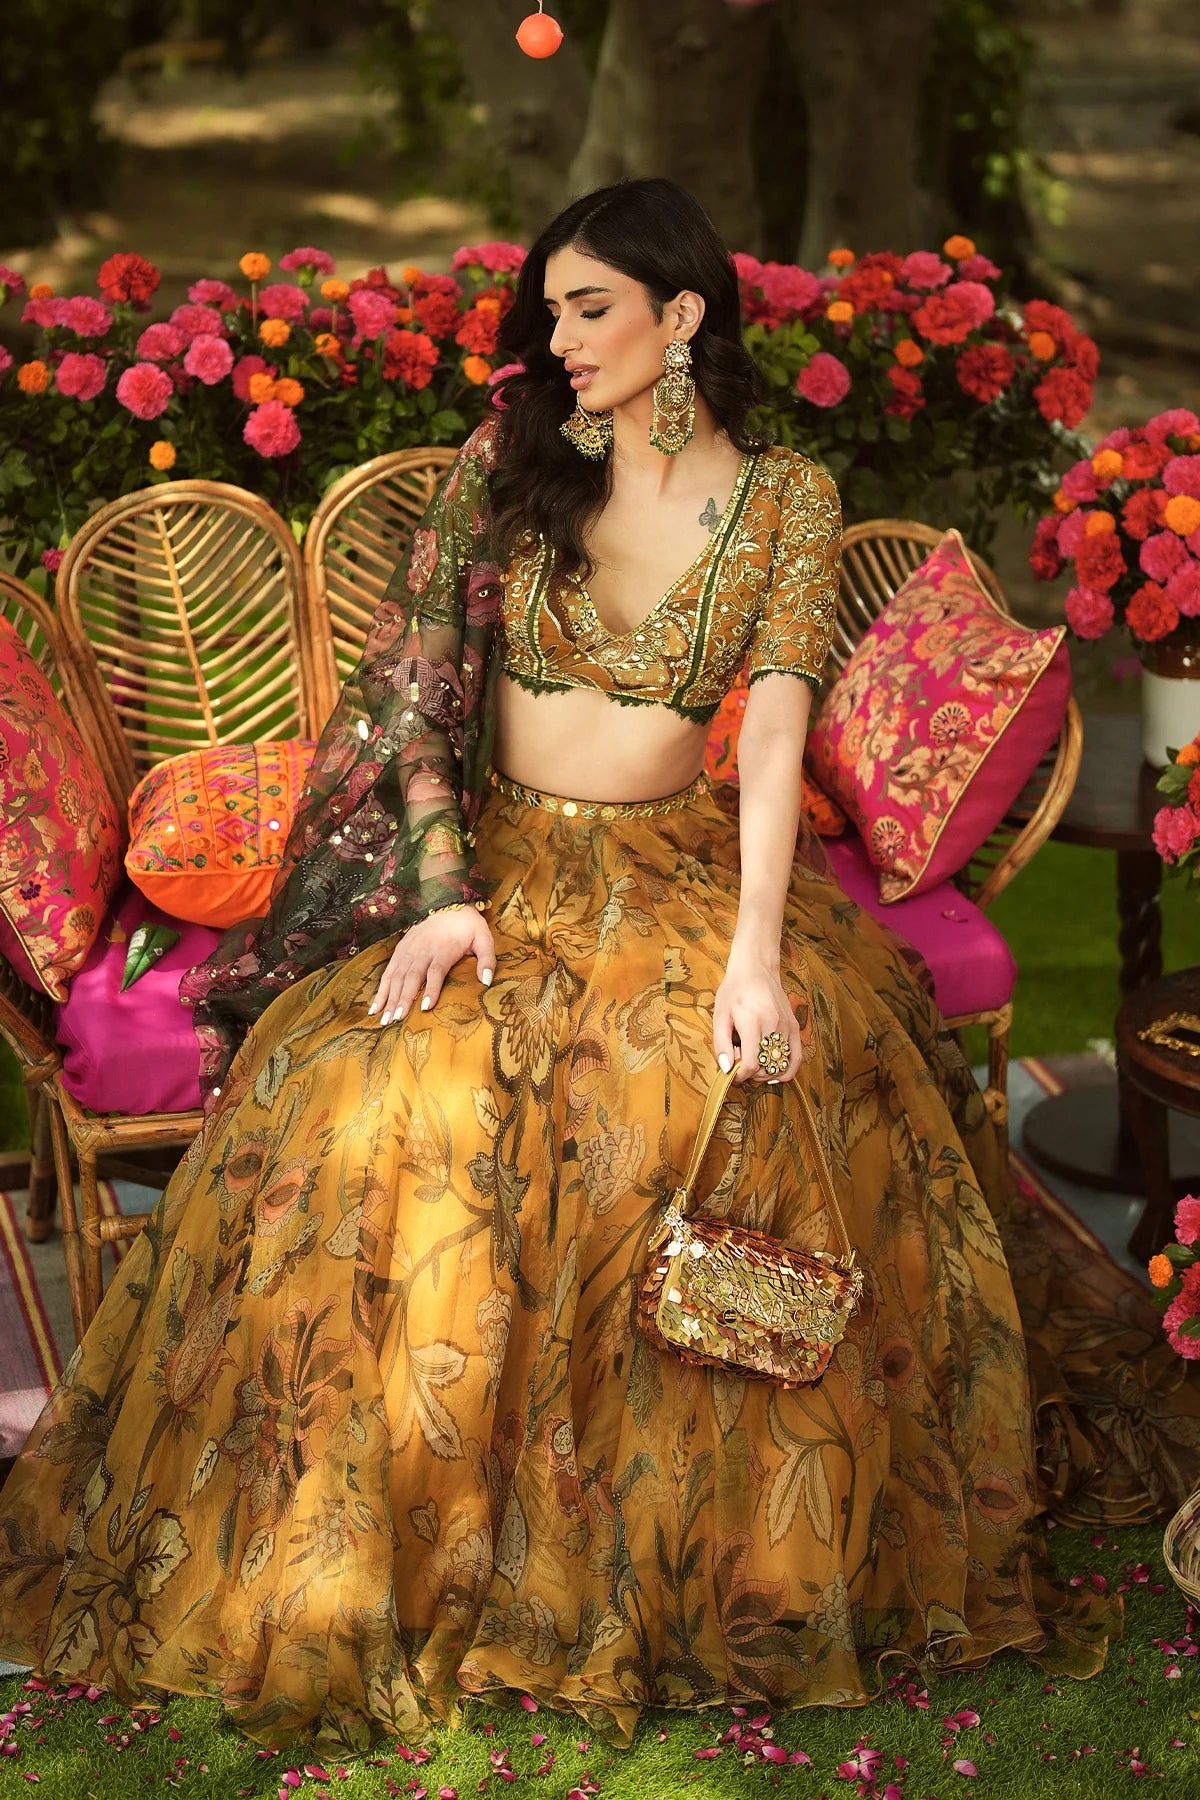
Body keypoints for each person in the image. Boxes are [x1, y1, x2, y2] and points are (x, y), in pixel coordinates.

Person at [0, 178, 1197, 1761]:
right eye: (550, 308)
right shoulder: (510, 464)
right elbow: (419, 704)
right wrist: (440, 897)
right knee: (358, 1094)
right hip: (496, 875)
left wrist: (758, 960)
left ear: (681, 315)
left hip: (685, 874)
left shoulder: (784, 501)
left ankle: (738, 1554)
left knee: (749, 1084)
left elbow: (773, 736)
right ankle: (387, 1538)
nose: (557, 338)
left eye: (590, 308)